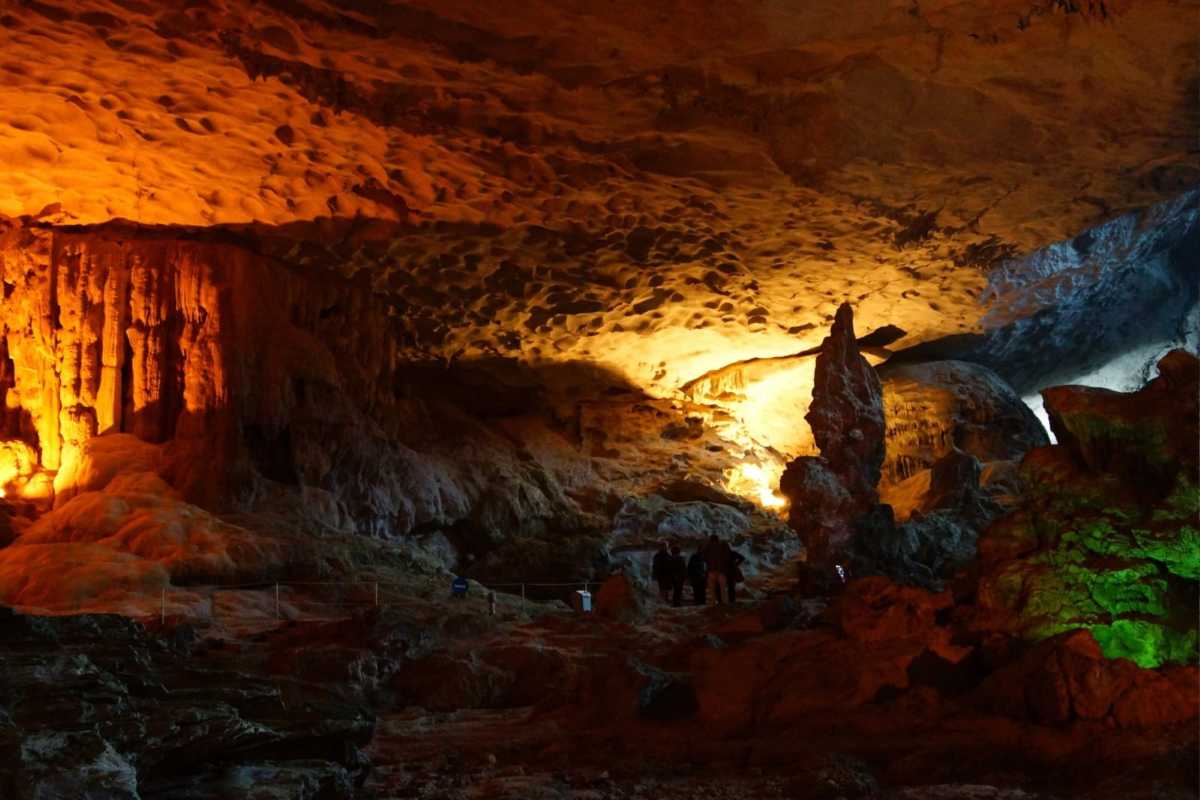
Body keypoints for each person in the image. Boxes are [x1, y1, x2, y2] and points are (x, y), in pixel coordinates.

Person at [703, 534, 730, 605]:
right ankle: (724, 603)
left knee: (712, 589)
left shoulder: (708, 547)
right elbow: (727, 557)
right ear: (718, 539)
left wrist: (709, 562)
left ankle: (713, 603)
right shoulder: (723, 545)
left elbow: (704, 557)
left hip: (711, 570)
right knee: (723, 589)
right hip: (721, 570)